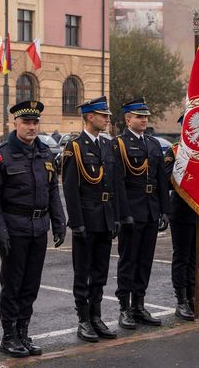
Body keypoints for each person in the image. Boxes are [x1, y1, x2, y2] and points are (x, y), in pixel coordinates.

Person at [0, 101, 66, 358]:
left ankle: (23, 332)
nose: (31, 127)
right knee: (12, 285)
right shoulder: (1, 154)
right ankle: (9, 336)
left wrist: (58, 221)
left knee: (31, 285)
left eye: (34, 122)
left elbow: (52, 190)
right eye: (26, 122)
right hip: (14, 229)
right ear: (15, 124)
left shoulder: (44, 153)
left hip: (38, 229)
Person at [62, 96, 128, 342]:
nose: (108, 119)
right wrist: (76, 222)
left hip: (105, 217)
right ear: (90, 117)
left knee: (100, 270)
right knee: (83, 271)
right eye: (103, 115)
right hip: (87, 218)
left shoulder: (108, 146)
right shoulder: (75, 147)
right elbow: (70, 188)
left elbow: (116, 184)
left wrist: (118, 216)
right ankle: (83, 319)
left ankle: (97, 316)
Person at [113, 98, 169, 329]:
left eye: (145, 116)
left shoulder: (153, 144)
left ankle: (139, 304)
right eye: (139, 116)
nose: (144, 120)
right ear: (128, 120)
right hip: (131, 210)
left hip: (150, 208)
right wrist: (122, 214)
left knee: (145, 260)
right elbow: (117, 183)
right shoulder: (119, 144)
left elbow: (161, 181)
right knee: (129, 260)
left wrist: (164, 210)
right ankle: (124, 307)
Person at [165, 115, 199, 321]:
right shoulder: (174, 151)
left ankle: (194, 298)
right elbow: (169, 179)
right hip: (182, 212)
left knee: (195, 258)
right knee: (182, 257)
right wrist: (187, 163)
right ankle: (181, 300)